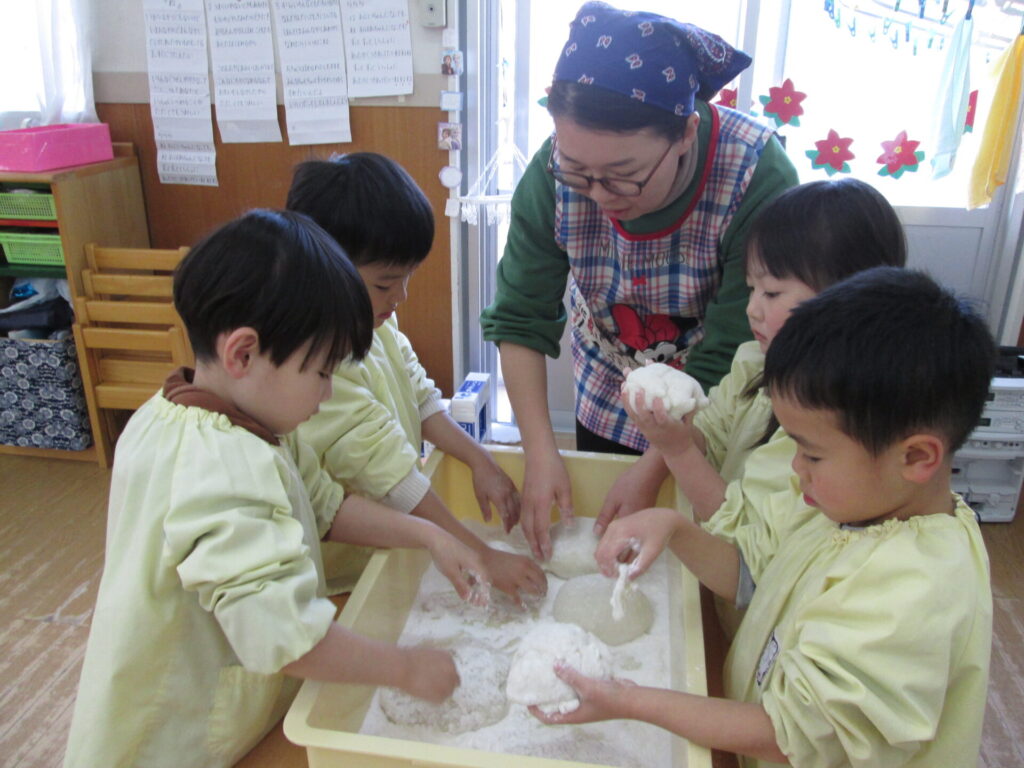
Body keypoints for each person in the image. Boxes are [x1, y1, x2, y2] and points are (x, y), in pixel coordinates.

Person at [63, 210, 490, 768]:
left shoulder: (209, 419)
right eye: (321, 373)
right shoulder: (219, 462)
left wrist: (431, 536)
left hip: (217, 701)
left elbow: (327, 507)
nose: (328, 393)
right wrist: (406, 668)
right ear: (243, 353)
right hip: (172, 733)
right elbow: (285, 636)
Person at [534, 267, 995, 768]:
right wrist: (674, 528)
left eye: (811, 454)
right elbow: (756, 580)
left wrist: (628, 700)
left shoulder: (912, 590)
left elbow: (788, 735)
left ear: (916, 457)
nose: (795, 469)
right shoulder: (863, 504)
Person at [479, 1, 798, 560]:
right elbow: (521, 316)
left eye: (623, 176)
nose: (598, 194)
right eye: (578, 172)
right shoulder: (553, 174)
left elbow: (735, 347)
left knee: (697, 547)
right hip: (608, 381)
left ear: (686, 133)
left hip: (710, 402)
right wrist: (539, 451)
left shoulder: (755, 174)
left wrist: (660, 462)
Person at [287, 154, 547, 604]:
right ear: (326, 268)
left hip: (398, 538)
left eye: (407, 278)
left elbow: (421, 397)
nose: (401, 296)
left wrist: (479, 460)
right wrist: (481, 554)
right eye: (385, 284)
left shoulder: (377, 321)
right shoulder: (317, 361)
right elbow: (386, 472)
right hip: (343, 569)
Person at [611, 178, 908, 529]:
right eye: (752, 289)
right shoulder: (755, 362)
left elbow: (747, 535)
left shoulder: (831, 416)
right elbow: (712, 434)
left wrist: (677, 451)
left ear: (847, 296)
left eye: (771, 293)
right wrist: (671, 422)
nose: (751, 309)